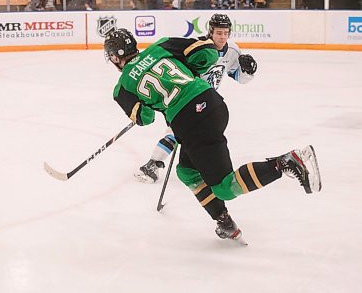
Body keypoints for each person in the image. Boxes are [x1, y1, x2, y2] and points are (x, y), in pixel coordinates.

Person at [104, 28, 321, 242]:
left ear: (114, 57)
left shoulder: (122, 88)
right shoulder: (160, 46)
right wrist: (189, 71)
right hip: (213, 103)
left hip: (192, 121)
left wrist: (150, 102)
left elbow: (145, 118)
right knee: (187, 172)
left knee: (225, 188)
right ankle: (224, 222)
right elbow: (208, 52)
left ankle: (285, 162)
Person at [135, 14, 255, 183]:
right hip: (185, 95)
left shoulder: (233, 51)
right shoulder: (198, 46)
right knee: (177, 131)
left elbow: (240, 78)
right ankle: (153, 163)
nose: (222, 37)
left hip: (208, 99)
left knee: (197, 134)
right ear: (210, 31)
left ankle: (194, 166)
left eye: (226, 33)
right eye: (219, 33)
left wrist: (248, 71)